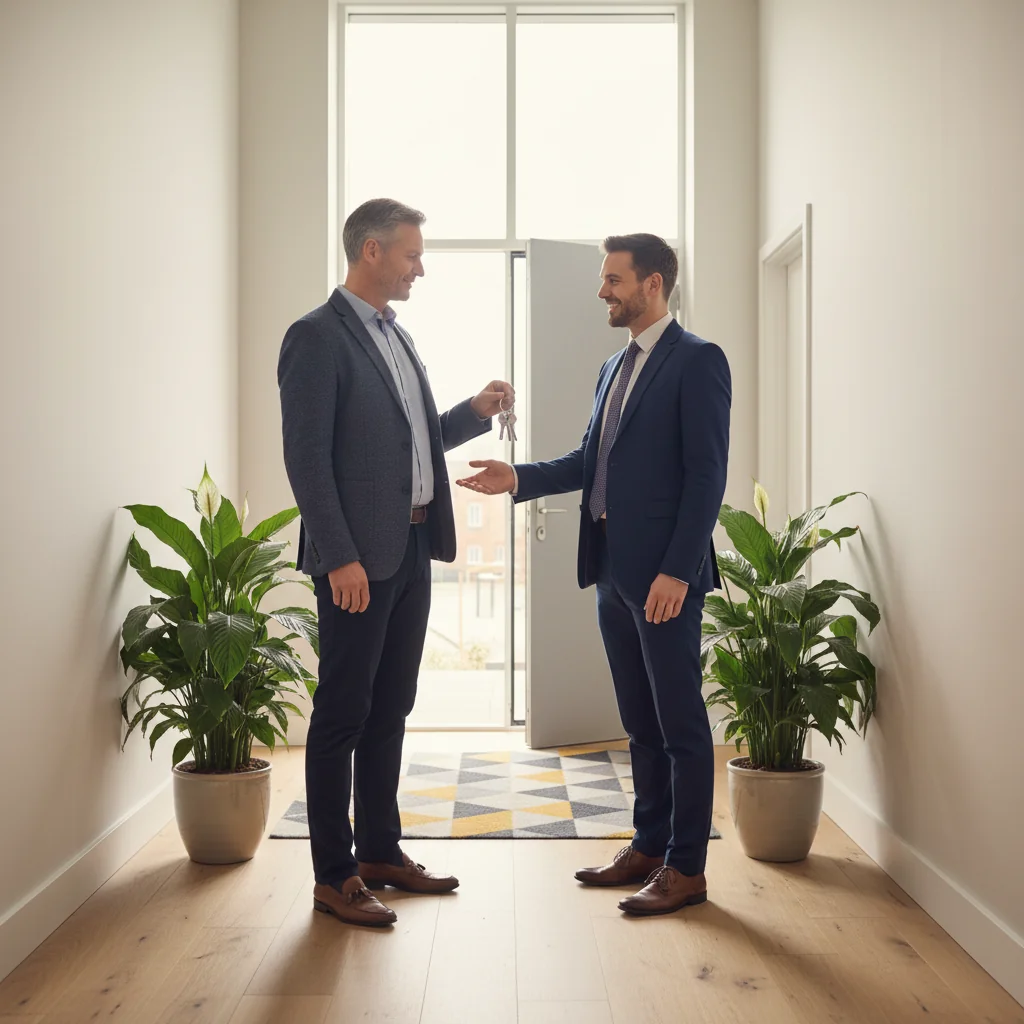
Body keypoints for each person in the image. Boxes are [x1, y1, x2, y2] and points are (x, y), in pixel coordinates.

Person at [457, 233, 730, 916]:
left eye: (614, 279)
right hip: (611, 568)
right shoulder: (614, 367)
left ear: (653, 284)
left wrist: (677, 571)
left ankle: (686, 869)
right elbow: (590, 461)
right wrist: (517, 477)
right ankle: (648, 844)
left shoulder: (698, 361)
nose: (602, 291)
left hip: (665, 580)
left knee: (680, 723)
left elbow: (706, 478)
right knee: (638, 720)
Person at [278, 198, 514, 928]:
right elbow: (307, 460)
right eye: (412, 255)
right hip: (356, 561)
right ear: (372, 250)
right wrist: (339, 557)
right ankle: (335, 876)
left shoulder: (397, 336)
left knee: (391, 708)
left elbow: (414, 438)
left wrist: (473, 410)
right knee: (342, 715)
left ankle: (380, 851)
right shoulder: (316, 337)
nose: (420, 268)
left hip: (411, 548)